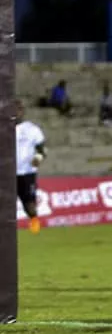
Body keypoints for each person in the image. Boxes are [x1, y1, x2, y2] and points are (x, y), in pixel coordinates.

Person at [14, 99, 47, 235]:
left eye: (18, 109)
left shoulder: (32, 129)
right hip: (6, 173)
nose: (15, 113)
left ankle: (34, 225)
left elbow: (42, 149)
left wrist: (38, 158)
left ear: (22, 111)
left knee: (29, 204)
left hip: (27, 172)